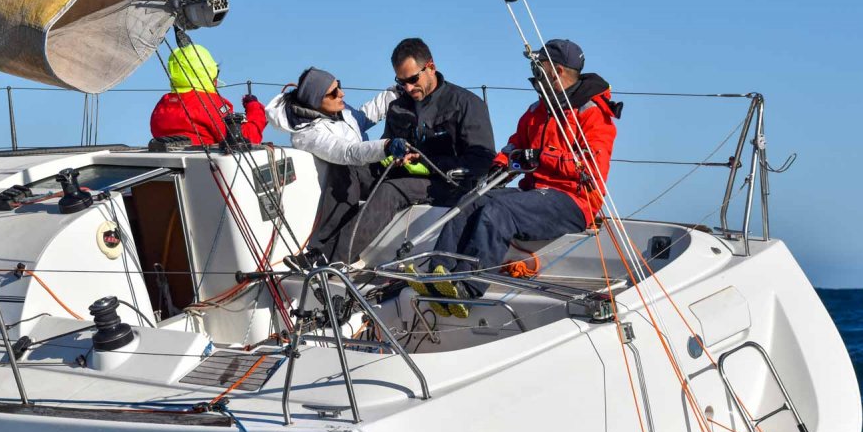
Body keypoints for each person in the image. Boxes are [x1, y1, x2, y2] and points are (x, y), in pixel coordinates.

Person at [414, 39, 620, 318]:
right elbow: (515, 145)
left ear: (556, 70)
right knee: (471, 200)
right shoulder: (538, 110)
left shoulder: (593, 114)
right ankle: (438, 276)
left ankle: (466, 288)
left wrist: (539, 156)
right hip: (534, 192)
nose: (534, 71)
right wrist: (498, 167)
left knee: (498, 212)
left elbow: (590, 169)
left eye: (539, 65)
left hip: (573, 201)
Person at [321, 38, 495, 265]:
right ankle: (318, 246)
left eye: (413, 80)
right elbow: (386, 145)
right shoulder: (398, 107)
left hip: (445, 184)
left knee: (390, 190)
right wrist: (391, 158)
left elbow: (482, 161)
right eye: (401, 81)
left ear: (431, 67)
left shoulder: (466, 104)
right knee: (348, 170)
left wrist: (426, 163)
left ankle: (333, 261)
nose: (408, 88)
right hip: (401, 173)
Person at [265, 67, 408, 263]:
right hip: (347, 178)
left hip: (365, 171)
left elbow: (364, 117)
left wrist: (394, 93)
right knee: (342, 169)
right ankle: (320, 250)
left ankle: (324, 252)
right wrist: (387, 146)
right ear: (316, 101)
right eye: (333, 92)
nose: (341, 93)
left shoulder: (337, 111)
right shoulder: (308, 134)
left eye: (338, 85)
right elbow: (347, 152)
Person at [149, 43, 266, 145]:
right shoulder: (211, 104)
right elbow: (245, 139)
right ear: (208, 73)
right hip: (207, 168)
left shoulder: (162, 104)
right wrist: (254, 107)